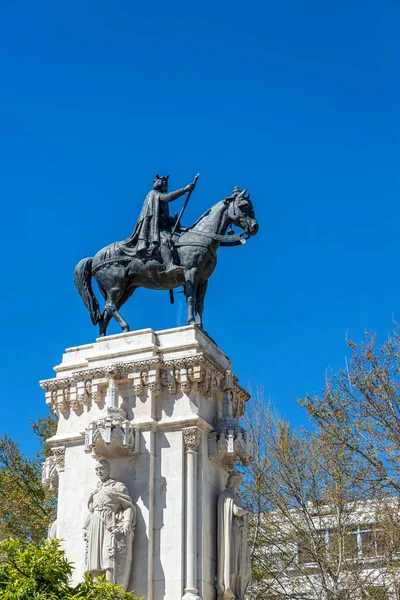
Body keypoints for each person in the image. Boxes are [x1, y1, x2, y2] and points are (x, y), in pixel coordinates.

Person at [120, 174, 195, 274]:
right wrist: (184, 190)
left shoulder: (159, 197)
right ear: (160, 183)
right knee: (166, 240)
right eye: (165, 184)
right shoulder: (154, 194)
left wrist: (171, 220)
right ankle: (169, 265)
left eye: (166, 184)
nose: (166, 186)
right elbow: (168, 197)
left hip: (162, 227)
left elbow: (161, 215)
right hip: (154, 229)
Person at [83, 459, 135, 589]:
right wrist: (84, 527)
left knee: (109, 557)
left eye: (102, 468)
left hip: (110, 524)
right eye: (97, 469)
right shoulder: (94, 490)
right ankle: (97, 593)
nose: (99, 472)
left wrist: (127, 521)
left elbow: (128, 506)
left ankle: (111, 591)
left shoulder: (118, 487)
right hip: (95, 525)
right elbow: (90, 511)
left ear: (109, 470)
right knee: (94, 561)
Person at [217, 470, 251, 600]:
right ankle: (229, 587)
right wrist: (246, 511)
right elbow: (236, 511)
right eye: (239, 482)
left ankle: (237, 590)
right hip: (231, 532)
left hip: (238, 532)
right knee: (232, 561)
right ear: (233, 481)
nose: (240, 485)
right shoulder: (227, 496)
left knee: (238, 562)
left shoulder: (234, 497)